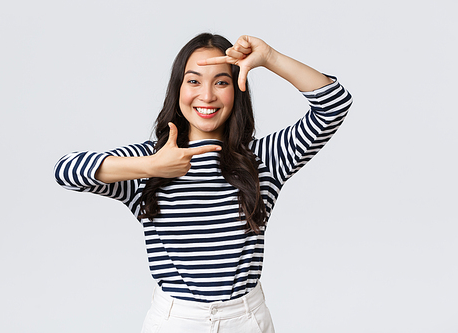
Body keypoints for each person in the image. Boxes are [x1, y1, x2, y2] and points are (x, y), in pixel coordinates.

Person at [54, 33, 353, 333]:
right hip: (174, 322)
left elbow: (334, 105)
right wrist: (152, 165)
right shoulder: (147, 162)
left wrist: (270, 58)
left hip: (245, 320)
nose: (207, 96)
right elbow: (65, 171)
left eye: (221, 82)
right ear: (178, 89)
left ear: (237, 90)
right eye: (194, 81)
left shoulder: (263, 160)